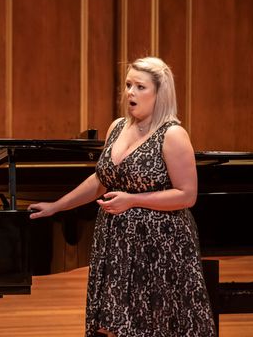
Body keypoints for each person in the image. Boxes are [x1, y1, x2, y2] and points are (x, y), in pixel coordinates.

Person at [28, 57, 216, 337]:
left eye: (140, 87)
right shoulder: (117, 127)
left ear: (159, 93)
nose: (130, 93)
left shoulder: (173, 134)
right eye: (128, 85)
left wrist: (134, 200)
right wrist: (57, 206)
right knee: (111, 325)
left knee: (151, 326)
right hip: (115, 243)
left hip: (159, 247)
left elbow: (187, 195)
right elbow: (101, 180)